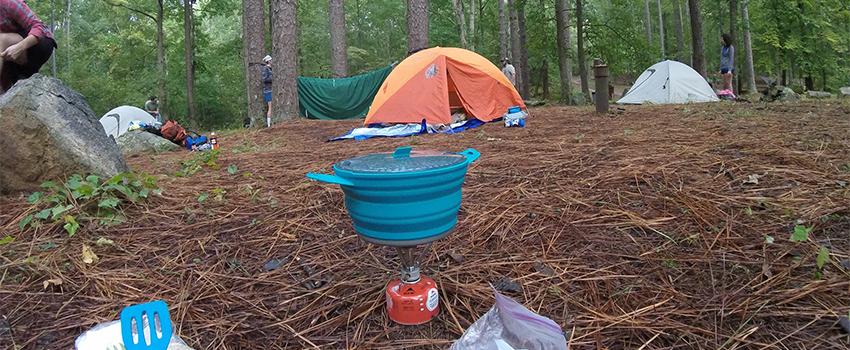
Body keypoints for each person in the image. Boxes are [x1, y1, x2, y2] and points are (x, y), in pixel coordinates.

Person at [0, 0, 57, 93]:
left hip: (40, 43)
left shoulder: (9, 2)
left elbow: (39, 27)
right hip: (16, 62)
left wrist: (19, 47)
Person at [261, 55, 273, 127]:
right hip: (268, 90)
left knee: (272, 107)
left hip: (271, 90)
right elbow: (264, 79)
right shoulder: (265, 69)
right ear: (268, 61)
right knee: (270, 107)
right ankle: (269, 124)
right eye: (271, 60)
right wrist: (273, 78)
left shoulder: (270, 69)